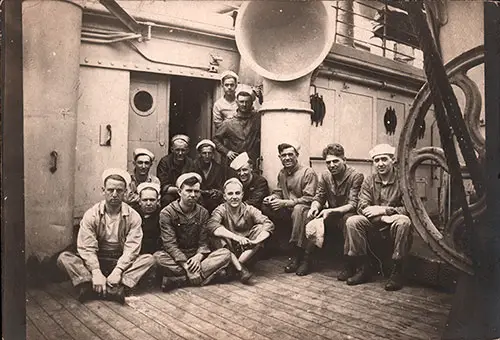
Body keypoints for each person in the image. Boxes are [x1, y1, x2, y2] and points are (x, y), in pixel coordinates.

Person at [57, 169, 155, 304]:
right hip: (97, 259)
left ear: (125, 192)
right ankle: (111, 290)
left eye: (119, 191)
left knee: (148, 259)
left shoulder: (133, 216)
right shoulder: (91, 214)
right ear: (103, 190)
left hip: (119, 259)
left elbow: (132, 248)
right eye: (110, 190)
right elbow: (87, 248)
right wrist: (96, 271)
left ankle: (93, 289)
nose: (114, 194)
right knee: (64, 258)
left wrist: (118, 270)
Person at [344, 144, 412, 291]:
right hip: (375, 223)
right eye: (376, 160)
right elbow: (362, 206)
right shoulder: (370, 181)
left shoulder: (403, 181)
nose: (380, 164)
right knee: (353, 221)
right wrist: (381, 218)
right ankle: (363, 267)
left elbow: (409, 209)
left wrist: (384, 210)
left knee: (404, 221)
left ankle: (397, 270)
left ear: (392, 160)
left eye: (384, 159)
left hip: (394, 222)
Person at [154, 173, 232, 292]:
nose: (193, 195)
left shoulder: (203, 213)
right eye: (189, 191)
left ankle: (179, 280)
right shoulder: (167, 213)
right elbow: (169, 244)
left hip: (196, 257)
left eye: (196, 191)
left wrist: (198, 256)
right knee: (157, 258)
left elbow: (204, 242)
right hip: (176, 257)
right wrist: (186, 266)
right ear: (179, 192)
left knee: (225, 254)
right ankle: (206, 275)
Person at [305, 143, 364, 278]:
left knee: (347, 220)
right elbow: (319, 196)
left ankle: (349, 264)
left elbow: (353, 204)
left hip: (347, 213)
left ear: (344, 160)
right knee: (311, 217)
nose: (332, 165)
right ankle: (306, 259)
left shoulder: (356, 176)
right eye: (328, 162)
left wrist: (332, 211)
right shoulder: (325, 175)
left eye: (335, 161)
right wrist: (314, 206)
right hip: (331, 213)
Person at [262, 142, 318, 275]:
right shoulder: (282, 173)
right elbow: (278, 191)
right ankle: (276, 246)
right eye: (283, 155)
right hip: (289, 209)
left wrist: (285, 203)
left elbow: (310, 198)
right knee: (265, 206)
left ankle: (302, 257)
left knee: (298, 210)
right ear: (279, 157)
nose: (287, 158)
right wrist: (273, 198)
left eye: (290, 154)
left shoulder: (307, 172)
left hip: (306, 209)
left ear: (297, 155)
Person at [207, 178, 274, 283]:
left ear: (242, 195)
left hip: (246, 252)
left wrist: (255, 242)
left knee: (260, 228)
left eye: (237, 193)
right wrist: (236, 237)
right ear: (224, 196)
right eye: (230, 194)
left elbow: (268, 224)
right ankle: (240, 269)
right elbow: (212, 225)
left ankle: (235, 266)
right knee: (216, 235)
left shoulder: (249, 209)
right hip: (228, 250)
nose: (234, 197)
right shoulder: (221, 209)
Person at [213, 85, 261, 166]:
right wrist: (227, 152)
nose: (244, 104)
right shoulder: (228, 123)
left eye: (247, 102)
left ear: (251, 103)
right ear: (237, 102)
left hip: (252, 162)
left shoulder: (257, 119)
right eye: (241, 102)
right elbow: (216, 139)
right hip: (235, 162)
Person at [157, 135, 196, 208]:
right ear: (172, 149)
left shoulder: (190, 163)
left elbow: (193, 181)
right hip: (171, 193)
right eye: (177, 150)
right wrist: (180, 190)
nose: (180, 153)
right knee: (166, 200)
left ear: (187, 150)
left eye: (183, 150)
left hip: (187, 192)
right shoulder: (164, 162)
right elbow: (164, 185)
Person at [193, 139, 225, 213]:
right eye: (204, 153)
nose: (207, 156)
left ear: (213, 154)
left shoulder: (218, 168)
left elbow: (220, 186)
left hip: (212, 199)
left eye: (209, 153)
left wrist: (218, 192)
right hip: (197, 196)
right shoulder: (193, 166)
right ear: (199, 154)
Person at [136, 182, 162, 255]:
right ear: (139, 201)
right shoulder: (133, 215)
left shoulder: (163, 216)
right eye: (145, 200)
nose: (148, 203)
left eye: (152, 200)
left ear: (158, 201)